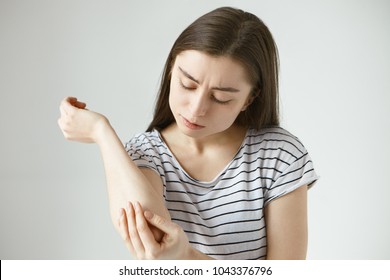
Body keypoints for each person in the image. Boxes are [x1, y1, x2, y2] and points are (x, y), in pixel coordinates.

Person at [58, 7, 318, 260]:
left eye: (220, 98)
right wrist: (102, 133)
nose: (196, 110)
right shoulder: (145, 154)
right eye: (187, 84)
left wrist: (185, 257)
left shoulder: (279, 155)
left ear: (250, 99)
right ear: (171, 69)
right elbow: (153, 239)